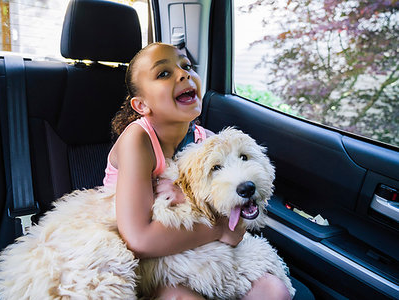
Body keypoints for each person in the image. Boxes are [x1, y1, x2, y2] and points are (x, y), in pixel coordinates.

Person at [103, 42, 291, 300]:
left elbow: (235, 220)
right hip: (151, 262)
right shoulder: (138, 140)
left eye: (186, 66)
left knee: (274, 290)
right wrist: (219, 229)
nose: (183, 74)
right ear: (141, 105)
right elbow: (138, 239)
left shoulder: (207, 140)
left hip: (201, 251)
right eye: (164, 73)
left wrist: (230, 226)